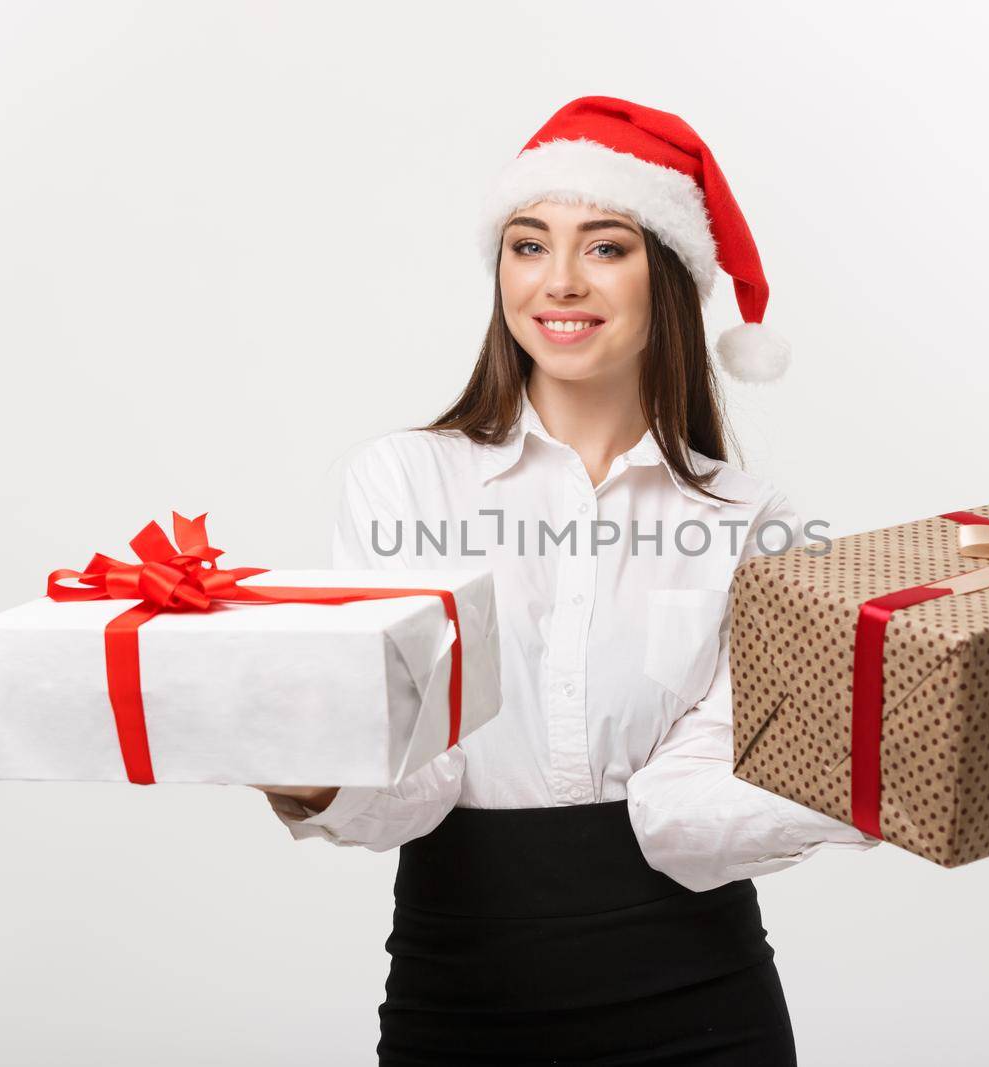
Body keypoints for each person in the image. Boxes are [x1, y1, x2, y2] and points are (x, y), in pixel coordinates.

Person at [254, 96, 877, 1066]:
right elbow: (422, 779)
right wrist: (316, 767)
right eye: (528, 244)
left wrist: (874, 779)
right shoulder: (405, 481)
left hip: (701, 1005)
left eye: (605, 247)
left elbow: (691, 812)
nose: (558, 282)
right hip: (463, 992)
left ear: (666, 275)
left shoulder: (753, 521)